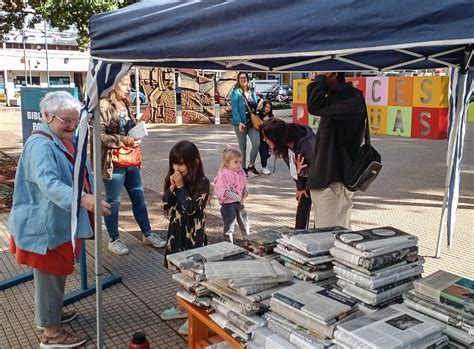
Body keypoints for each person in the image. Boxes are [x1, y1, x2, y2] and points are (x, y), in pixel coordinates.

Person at [7, 91, 111, 348]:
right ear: (46, 116)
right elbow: (49, 184)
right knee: (49, 276)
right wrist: (84, 199)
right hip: (43, 226)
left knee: (53, 276)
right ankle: (51, 334)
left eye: (75, 121)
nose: (72, 126)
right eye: (66, 120)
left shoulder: (62, 137)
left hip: (55, 222)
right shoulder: (41, 144)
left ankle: (50, 316)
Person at [100, 75, 166, 255]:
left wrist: (138, 129)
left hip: (131, 159)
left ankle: (147, 233)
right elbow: (100, 135)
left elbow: (128, 127)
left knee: (139, 197)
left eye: (130, 85)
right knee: (113, 201)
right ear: (114, 85)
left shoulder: (127, 104)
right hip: (113, 161)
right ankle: (114, 239)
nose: (128, 88)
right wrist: (125, 140)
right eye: (124, 84)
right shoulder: (104, 105)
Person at [159, 140, 210, 336]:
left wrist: (180, 188)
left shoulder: (203, 183)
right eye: (174, 163)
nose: (177, 168)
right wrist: (172, 189)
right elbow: (166, 203)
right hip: (176, 233)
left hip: (192, 235)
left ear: (194, 162)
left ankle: (193, 314)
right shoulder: (175, 179)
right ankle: (182, 307)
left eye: (181, 164)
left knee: (192, 276)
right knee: (180, 273)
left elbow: (191, 209)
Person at [306, 72, 366, 229]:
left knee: (330, 237)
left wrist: (320, 80)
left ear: (332, 74)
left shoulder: (350, 97)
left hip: (334, 181)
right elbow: (315, 104)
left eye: (317, 75)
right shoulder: (338, 98)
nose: (315, 78)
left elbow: (314, 106)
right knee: (328, 235)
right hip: (328, 180)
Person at [260, 118, 316, 229]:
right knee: (303, 199)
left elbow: (319, 170)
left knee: (320, 209)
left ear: (276, 137)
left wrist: (301, 171)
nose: (264, 140)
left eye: (267, 137)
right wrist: (300, 187)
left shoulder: (308, 145)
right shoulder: (284, 144)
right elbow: (293, 167)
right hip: (305, 174)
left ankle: (318, 234)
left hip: (323, 179)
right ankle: (298, 233)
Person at [214, 147, 250, 243]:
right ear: (227, 163)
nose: (239, 164)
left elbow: (244, 183)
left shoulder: (241, 172)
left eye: (240, 162)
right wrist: (238, 197)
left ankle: (247, 239)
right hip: (227, 204)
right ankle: (228, 243)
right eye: (236, 162)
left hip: (239, 202)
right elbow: (223, 191)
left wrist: (245, 191)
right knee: (229, 223)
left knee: (244, 220)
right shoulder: (223, 175)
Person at [230, 72, 261, 176]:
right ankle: (242, 169)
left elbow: (255, 106)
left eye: (245, 77)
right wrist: (239, 122)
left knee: (256, 144)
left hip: (252, 123)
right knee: (242, 147)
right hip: (241, 124)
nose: (243, 79)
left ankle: (251, 165)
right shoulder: (235, 92)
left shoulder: (252, 91)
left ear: (248, 79)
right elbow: (235, 109)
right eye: (241, 78)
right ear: (238, 80)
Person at [258, 100, 274, 175]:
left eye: (269, 107)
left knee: (269, 153)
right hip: (261, 137)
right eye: (266, 107)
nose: (267, 109)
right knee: (263, 152)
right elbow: (257, 126)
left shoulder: (271, 116)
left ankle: (263, 161)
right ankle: (264, 166)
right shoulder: (259, 115)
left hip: (269, 138)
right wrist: (263, 121)